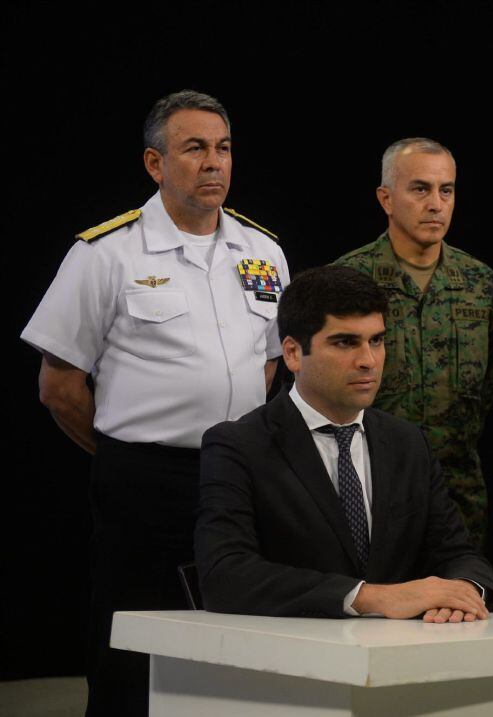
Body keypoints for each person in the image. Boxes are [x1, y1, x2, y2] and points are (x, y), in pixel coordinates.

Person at [20, 90, 289, 716]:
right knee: (132, 636)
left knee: (234, 630)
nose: (214, 162)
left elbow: (274, 362)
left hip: (239, 476)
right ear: (154, 162)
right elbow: (59, 385)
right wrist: (122, 448)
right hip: (143, 476)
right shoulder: (106, 252)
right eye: (195, 148)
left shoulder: (263, 252)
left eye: (223, 149)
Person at [195, 265, 493, 620]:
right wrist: (369, 598)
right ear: (293, 354)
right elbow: (225, 575)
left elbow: (459, 554)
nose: (368, 361)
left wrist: (463, 591)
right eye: (345, 342)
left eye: (377, 340)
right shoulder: (238, 446)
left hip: (401, 658)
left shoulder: (408, 443)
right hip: (290, 659)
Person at [335, 138, 493, 542]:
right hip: (372, 486)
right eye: (420, 189)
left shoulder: (480, 284)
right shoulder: (347, 281)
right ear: (386, 199)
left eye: (446, 190)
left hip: (459, 495)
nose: (436, 204)